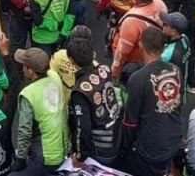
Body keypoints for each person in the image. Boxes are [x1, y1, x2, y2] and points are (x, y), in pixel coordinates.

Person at [120, 26, 183, 176]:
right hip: (174, 139)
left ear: (141, 45)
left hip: (150, 148)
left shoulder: (138, 78)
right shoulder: (175, 70)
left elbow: (130, 122)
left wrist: (123, 148)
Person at [68, 35, 123, 165]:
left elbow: (83, 128)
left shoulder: (79, 92)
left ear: (71, 60)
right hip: (117, 137)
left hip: (100, 148)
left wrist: (80, 157)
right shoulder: (104, 69)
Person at [12, 47, 67, 176]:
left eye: (24, 66)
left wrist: (20, 160)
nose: (22, 68)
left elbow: (24, 131)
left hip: (44, 157)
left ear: (31, 71)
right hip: (62, 150)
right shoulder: (55, 77)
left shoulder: (28, 94)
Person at [111, 0, 167, 80]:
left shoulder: (131, 21)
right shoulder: (161, 4)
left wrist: (115, 73)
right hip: (150, 58)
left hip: (132, 65)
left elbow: (122, 52)